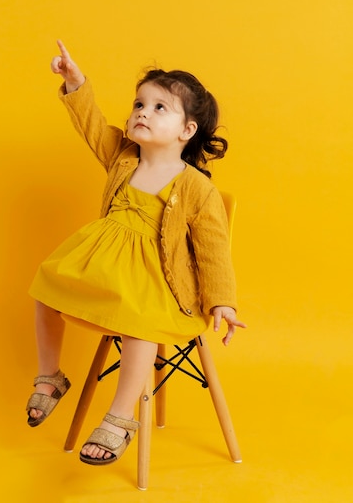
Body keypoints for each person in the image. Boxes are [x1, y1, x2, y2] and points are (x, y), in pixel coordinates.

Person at [26, 40, 246, 466]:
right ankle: (50, 375)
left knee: (139, 324)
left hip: (158, 284)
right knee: (45, 287)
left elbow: (214, 250)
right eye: (139, 104)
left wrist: (223, 300)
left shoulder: (197, 188)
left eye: (160, 107)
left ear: (187, 131)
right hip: (105, 270)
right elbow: (91, 124)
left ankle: (119, 416)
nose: (142, 112)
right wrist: (76, 82)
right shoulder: (124, 157)